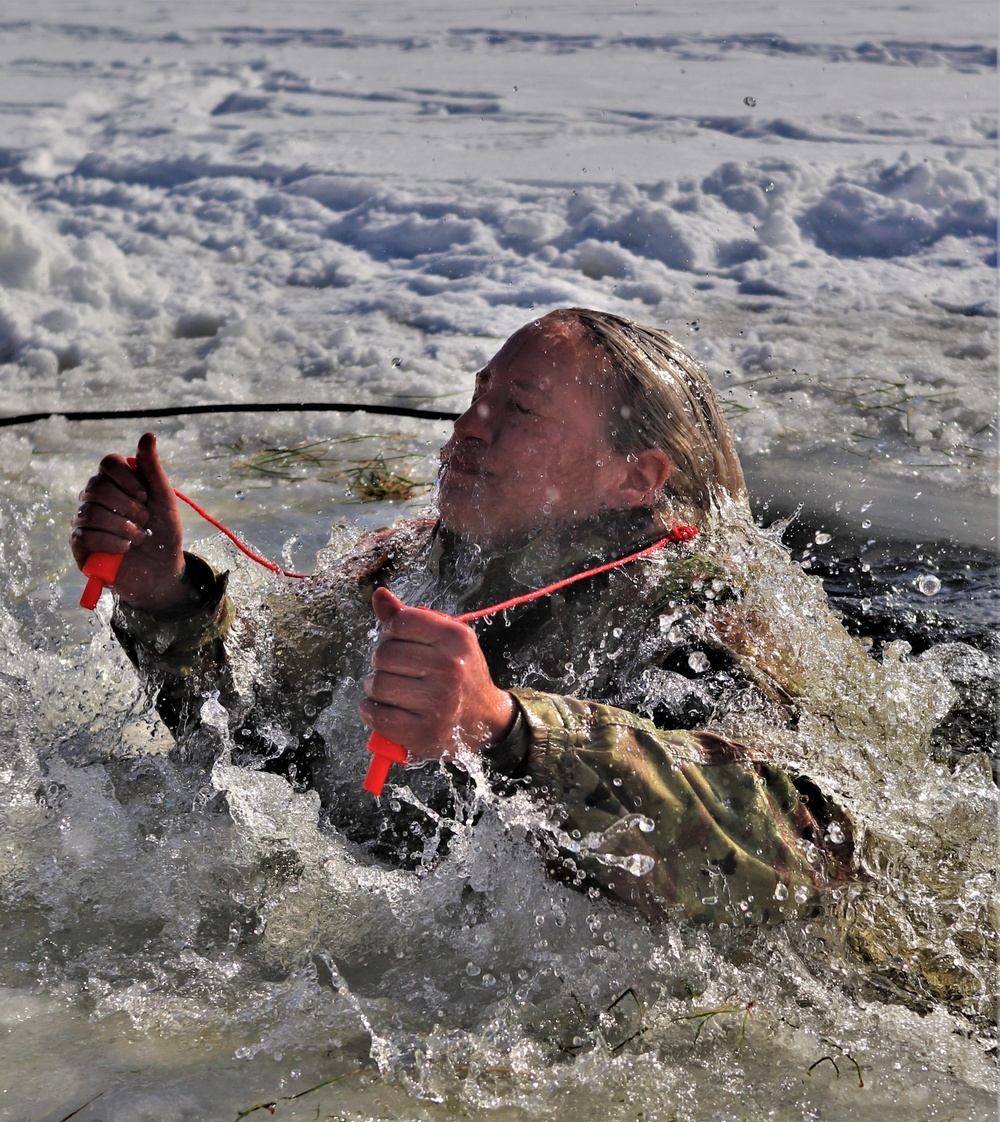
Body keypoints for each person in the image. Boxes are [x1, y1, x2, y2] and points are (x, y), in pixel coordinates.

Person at [69, 308, 853, 925]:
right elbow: (260, 743)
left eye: (519, 408)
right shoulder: (407, 567)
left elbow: (801, 848)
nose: (469, 425)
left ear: (635, 477)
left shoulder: (704, 615)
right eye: (478, 394)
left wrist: (511, 733)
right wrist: (166, 598)